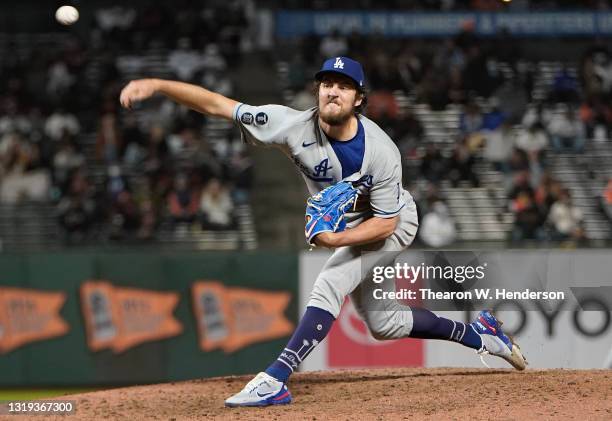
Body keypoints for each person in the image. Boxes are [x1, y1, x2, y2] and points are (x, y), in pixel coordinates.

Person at [119, 56, 527, 408]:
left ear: (359, 99)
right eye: (327, 84)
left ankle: (277, 378)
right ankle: (478, 333)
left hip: (392, 223)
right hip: (355, 224)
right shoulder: (289, 125)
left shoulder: (381, 152)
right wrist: (157, 84)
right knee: (384, 324)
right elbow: (218, 105)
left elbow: (386, 223)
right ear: (317, 91)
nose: (333, 91)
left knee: (331, 281)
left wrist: (334, 240)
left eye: (344, 86)